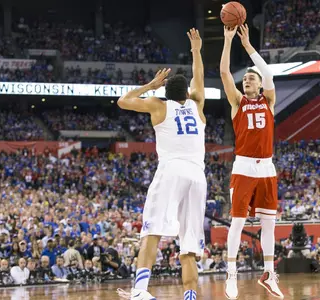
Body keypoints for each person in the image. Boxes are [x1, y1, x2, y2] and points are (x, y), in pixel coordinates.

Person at [116, 28, 207, 300]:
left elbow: (123, 101)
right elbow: (199, 77)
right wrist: (196, 51)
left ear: (166, 92)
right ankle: (190, 297)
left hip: (172, 170)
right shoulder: (197, 105)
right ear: (188, 94)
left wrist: (149, 86)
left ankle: (140, 291)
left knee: (152, 229)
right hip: (197, 176)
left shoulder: (158, 105)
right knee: (189, 246)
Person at [220, 24, 283, 299]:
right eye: (244, 78)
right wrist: (228, 40)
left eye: (251, 78)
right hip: (243, 166)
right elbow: (224, 73)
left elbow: (267, 72)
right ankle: (231, 275)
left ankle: (269, 274)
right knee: (237, 223)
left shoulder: (269, 101)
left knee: (269, 224)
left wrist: (247, 47)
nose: (247, 80)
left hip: (267, 167)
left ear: (259, 84)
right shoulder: (237, 102)